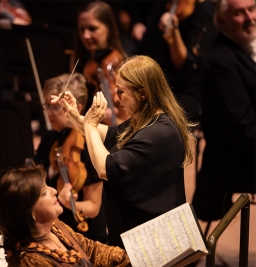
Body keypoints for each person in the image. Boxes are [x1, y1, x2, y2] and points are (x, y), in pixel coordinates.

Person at [52, 55, 193, 248]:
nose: (116, 99)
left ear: (143, 93)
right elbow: (108, 135)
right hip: (133, 235)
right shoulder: (144, 120)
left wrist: (91, 125)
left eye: (121, 92)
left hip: (152, 243)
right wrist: (75, 117)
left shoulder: (160, 133)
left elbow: (105, 168)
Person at [0, 164, 131, 266]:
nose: (53, 190)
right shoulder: (30, 261)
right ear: (28, 210)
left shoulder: (54, 226)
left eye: (47, 186)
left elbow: (92, 250)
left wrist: (131, 258)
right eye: (44, 192)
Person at [192, 0, 256, 221]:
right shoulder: (221, 63)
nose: (250, 17)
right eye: (240, 13)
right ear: (223, 22)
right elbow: (245, 130)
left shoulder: (245, 45)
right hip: (239, 163)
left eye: (252, 9)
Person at [35, 73, 108, 243]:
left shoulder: (90, 146)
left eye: (57, 107)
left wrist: (70, 205)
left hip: (84, 237)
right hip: (53, 229)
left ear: (78, 108)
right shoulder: (49, 137)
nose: (50, 113)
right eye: (48, 106)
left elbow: (93, 207)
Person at [136, 0, 217, 122]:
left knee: (158, 117)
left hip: (186, 89)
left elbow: (186, 68)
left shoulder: (204, 10)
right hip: (157, 81)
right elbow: (147, 48)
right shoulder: (163, 4)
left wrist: (174, 33)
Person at [73, 1, 129, 125]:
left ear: (108, 29)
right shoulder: (80, 62)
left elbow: (127, 122)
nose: (86, 35)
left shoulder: (118, 63)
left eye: (92, 29)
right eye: (82, 29)